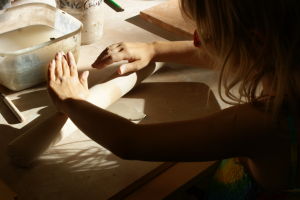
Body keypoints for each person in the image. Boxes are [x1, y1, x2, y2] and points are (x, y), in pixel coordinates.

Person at [46, 0, 300, 199]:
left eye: (203, 37)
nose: (197, 44)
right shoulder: (285, 66)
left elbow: (130, 142)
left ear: (257, 43)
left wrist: (71, 102)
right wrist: (154, 49)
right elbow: (230, 52)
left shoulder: (267, 125)